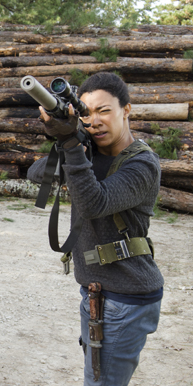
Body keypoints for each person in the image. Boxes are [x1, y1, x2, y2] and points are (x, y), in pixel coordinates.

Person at [27, 72, 164, 385]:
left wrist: (73, 145)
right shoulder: (90, 152)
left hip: (126, 297)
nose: (95, 121)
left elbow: (93, 203)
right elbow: (38, 175)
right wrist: (67, 137)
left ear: (126, 110)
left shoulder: (142, 165)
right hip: (97, 293)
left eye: (105, 111)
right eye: (87, 113)